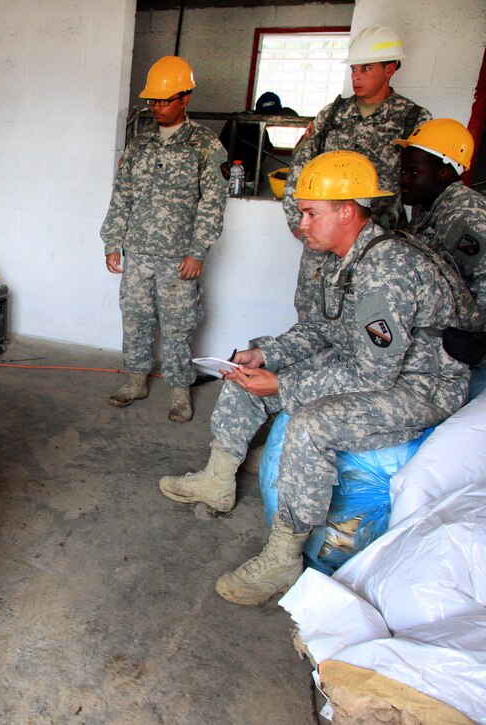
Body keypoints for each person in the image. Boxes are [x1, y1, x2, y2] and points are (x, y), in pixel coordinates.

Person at [158, 151, 472, 606]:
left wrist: (283, 387)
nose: (301, 224)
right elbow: (327, 328)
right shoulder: (346, 256)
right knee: (247, 372)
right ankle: (218, 479)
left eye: (310, 213)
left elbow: (374, 372)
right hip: (371, 364)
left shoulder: (385, 268)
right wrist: (266, 354)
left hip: (418, 385)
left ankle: (284, 558)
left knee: (310, 425)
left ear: (346, 212)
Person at [102, 55, 228, 422]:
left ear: (185, 99)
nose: (157, 107)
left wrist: (198, 251)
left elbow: (213, 204)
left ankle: (179, 390)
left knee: (178, 325)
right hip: (138, 253)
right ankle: (137, 379)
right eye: (152, 101)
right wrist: (112, 241)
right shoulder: (140, 145)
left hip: (178, 258)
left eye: (165, 100)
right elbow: (121, 194)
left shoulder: (205, 146)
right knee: (136, 319)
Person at [283, 25, 431, 321]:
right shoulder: (332, 114)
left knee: (367, 317)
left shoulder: (413, 118)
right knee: (312, 317)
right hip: (324, 239)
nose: (357, 76)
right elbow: (300, 167)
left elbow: (424, 185)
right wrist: (297, 221)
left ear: (390, 69)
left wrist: (415, 239)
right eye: (354, 68)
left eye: (366, 68)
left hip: (378, 241)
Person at [396, 118, 486, 316]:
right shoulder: (428, 204)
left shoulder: (463, 214)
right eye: (403, 171)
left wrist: (468, 343)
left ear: (443, 174)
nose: (403, 180)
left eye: (414, 172)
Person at [218, 91, 281, 185]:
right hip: (236, 174)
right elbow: (264, 151)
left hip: (226, 170)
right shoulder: (253, 126)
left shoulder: (242, 118)